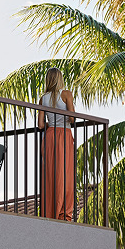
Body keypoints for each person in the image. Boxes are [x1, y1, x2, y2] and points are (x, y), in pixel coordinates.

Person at [38, 68, 77, 221]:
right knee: (65, 174)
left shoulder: (43, 98)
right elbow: (72, 118)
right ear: (60, 79)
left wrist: (51, 124)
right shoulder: (66, 94)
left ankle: (50, 212)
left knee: (51, 174)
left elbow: (41, 125)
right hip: (64, 135)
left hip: (50, 137)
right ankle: (64, 214)